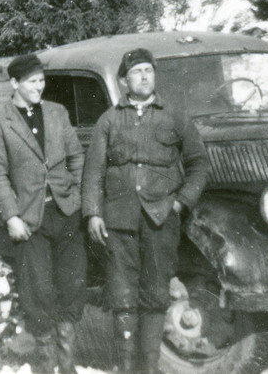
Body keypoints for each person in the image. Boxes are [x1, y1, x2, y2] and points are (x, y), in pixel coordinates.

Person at [82, 48, 209, 374]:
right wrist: (93, 213)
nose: (143, 76)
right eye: (136, 72)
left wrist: (181, 202)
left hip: (160, 219)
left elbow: (199, 164)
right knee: (122, 297)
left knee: (155, 295)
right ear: (124, 81)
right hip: (119, 221)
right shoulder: (109, 120)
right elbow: (93, 170)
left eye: (148, 71)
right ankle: (126, 369)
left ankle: (148, 369)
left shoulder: (174, 116)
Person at [0, 53, 86, 374]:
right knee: (37, 293)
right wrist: (11, 216)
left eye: (41, 81)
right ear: (14, 83)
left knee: (71, 287)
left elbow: (76, 157)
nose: (38, 87)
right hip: (29, 220)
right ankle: (44, 366)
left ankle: (66, 366)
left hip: (66, 213)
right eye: (31, 82)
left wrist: (77, 196)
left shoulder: (57, 113)